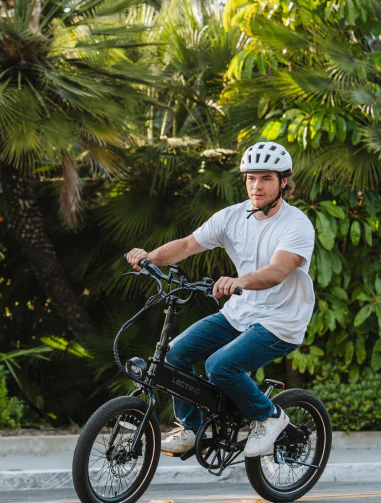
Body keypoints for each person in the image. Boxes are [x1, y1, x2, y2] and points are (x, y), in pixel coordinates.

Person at [125, 142, 316, 458]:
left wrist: (239, 281)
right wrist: (149, 257)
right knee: (174, 356)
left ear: (284, 181)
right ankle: (194, 427)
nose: (256, 186)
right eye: (251, 178)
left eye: (266, 178)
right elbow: (187, 245)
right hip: (241, 312)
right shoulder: (232, 217)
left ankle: (270, 417)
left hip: (281, 320)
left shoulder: (296, 224)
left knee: (219, 366)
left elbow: (278, 271)